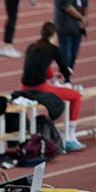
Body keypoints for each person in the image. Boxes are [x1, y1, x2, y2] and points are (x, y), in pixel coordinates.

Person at [20, 21, 85, 151]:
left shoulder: (31, 47)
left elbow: (40, 65)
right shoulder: (54, 49)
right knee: (76, 96)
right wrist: (67, 72)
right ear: (54, 35)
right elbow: (65, 71)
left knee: (52, 77)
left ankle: (30, 134)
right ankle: (69, 136)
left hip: (23, 88)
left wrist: (53, 80)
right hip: (40, 88)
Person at [53, 0, 90, 70]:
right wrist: (81, 18)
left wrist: (85, 17)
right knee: (66, 58)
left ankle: (67, 76)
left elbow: (85, 3)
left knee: (73, 57)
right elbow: (67, 7)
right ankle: (65, 77)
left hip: (77, 29)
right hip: (65, 27)